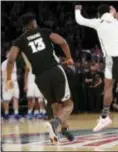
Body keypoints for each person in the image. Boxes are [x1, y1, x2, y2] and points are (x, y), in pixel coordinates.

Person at [5, 13, 74, 143]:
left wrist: (8, 79)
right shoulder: (44, 31)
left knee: (54, 104)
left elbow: (11, 60)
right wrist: (69, 58)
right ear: (33, 23)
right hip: (55, 70)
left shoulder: (19, 40)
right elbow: (63, 42)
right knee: (68, 104)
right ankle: (55, 124)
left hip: (40, 77)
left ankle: (63, 129)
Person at [75, 4, 118, 132]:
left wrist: (77, 9)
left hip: (112, 58)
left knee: (108, 87)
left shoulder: (98, 21)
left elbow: (80, 20)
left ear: (99, 14)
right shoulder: (116, 23)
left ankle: (105, 116)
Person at [1, 50, 21, 120]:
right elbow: (3, 74)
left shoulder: (14, 62)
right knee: (6, 100)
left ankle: (16, 113)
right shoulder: (4, 63)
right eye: (9, 54)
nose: (10, 55)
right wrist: (6, 84)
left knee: (16, 98)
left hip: (15, 83)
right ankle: (6, 114)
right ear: (6, 56)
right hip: (8, 82)